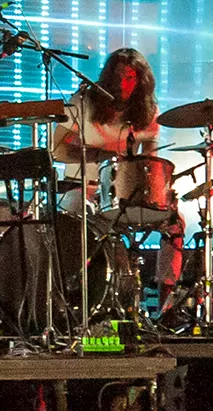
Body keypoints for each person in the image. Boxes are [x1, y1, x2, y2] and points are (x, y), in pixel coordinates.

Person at [49, 46, 184, 295]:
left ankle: (167, 296)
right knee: (73, 211)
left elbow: (150, 161)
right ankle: (77, 290)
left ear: (141, 81)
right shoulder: (83, 102)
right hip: (83, 188)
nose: (123, 83)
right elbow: (57, 150)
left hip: (125, 195)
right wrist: (101, 155)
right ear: (108, 77)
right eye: (118, 76)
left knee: (175, 222)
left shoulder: (150, 113)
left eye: (130, 77)